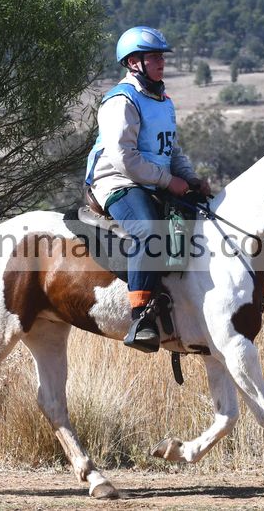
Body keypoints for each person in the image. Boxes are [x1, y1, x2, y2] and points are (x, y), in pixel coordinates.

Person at [85, 26, 211, 352]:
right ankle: (141, 317)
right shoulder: (121, 100)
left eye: (161, 56)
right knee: (149, 230)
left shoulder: (163, 101)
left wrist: (191, 179)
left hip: (151, 180)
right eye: (153, 57)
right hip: (117, 181)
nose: (161, 62)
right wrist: (169, 182)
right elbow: (124, 158)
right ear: (133, 62)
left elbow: (171, 151)